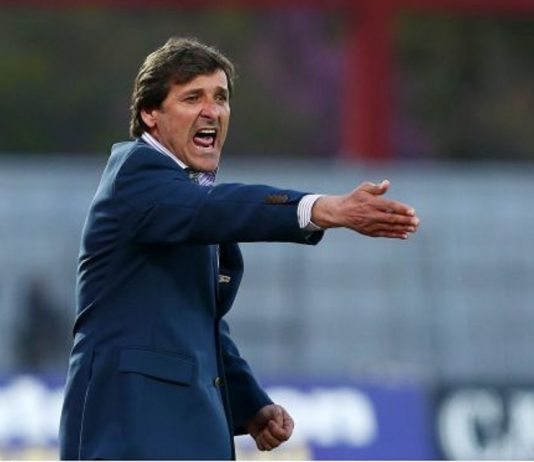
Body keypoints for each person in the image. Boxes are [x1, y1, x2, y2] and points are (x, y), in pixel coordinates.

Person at [59, 37, 419, 460]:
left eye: (221, 97)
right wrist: (320, 208)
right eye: (192, 97)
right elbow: (219, 208)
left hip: (183, 432)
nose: (212, 111)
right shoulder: (136, 174)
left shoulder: (187, 194)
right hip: (128, 433)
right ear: (150, 114)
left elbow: (196, 321)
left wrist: (249, 404)